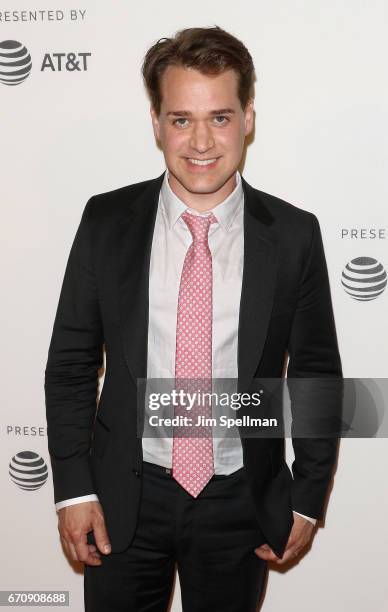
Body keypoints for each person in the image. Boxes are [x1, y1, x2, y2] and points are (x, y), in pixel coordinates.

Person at [44, 25, 342, 612]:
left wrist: (307, 499)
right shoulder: (106, 221)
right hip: (122, 498)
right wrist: (73, 489)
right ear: (156, 122)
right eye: (181, 119)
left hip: (240, 501)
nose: (201, 141)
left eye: (220, 117)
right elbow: (72, 365)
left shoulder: (293, 234)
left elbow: (316, 374)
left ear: (248, 117)